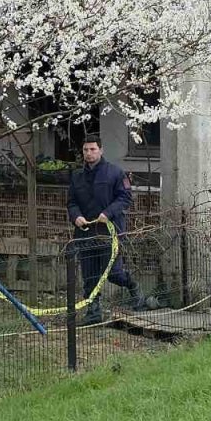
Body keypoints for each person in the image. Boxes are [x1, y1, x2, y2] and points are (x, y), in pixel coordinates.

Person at [66, 134, 145, 323]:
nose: (89, 153)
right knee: (90, 276)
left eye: (93, 149)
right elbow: (71, 202)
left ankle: (133, 287)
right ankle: (94, 312)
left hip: (110, 232)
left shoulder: (115, 173)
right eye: (85, 149)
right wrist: (76, 217)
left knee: (114, 273)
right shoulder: (77, 176)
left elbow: (125, 198)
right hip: (86, 233)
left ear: (101, 150)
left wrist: (108, 213)